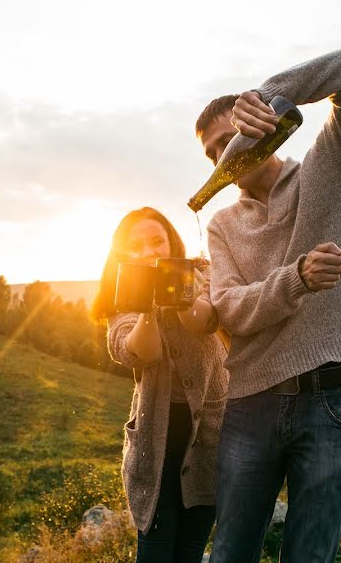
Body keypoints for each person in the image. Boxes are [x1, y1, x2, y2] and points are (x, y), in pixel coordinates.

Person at [194, 45, 341, 563]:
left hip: (334, 394)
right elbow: (229, 309)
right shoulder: (223, 225)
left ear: (264, 125)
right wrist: (294, 280)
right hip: (250, 403)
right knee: (230, 553)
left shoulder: (329, 166)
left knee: (310, 556)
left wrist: (276, 91)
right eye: (211, 153)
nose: (223, 157)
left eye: (230, 139)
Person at [92, 206, 228, 563]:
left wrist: (182, 293)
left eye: (156, 241)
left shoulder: (202, 274)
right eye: (135, 247)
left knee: (189, 552)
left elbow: (206, 322)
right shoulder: (124, 297)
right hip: (156, 439)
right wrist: (149, 307)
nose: (148, 252)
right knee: (155, 551)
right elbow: (141, 353)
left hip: (208, 438)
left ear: (172, 243)